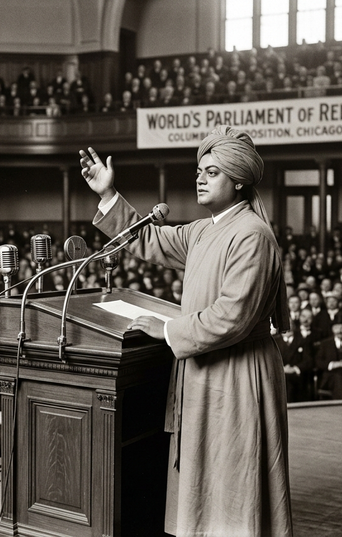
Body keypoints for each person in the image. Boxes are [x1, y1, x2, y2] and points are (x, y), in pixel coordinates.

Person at [79, 127, 292, 536]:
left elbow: (234, 317)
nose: (199, 178)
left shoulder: (252, 234)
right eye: (199, 170)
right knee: (206, 481)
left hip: (238, 375)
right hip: (204, 370)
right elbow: (148, 239)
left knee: (234, 479)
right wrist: (108, 195)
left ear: (239, 180)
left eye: (211, 172)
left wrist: (168, 328)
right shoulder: (203, 229)